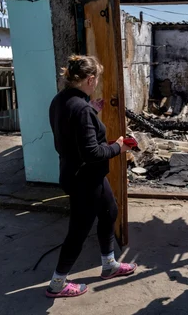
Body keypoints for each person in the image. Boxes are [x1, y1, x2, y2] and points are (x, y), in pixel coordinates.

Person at [46, 55, 137, 298]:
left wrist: (92, 112)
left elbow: (71, 130)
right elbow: (93, 152)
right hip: (84, 179)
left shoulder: (61, 100)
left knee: (110, 212)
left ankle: (109, 265)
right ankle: (57, 284)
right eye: (96, 80)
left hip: (81, 174)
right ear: (90, 79)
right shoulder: (82, 108)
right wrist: (119, 147)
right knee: (78, 231)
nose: (96, 84)